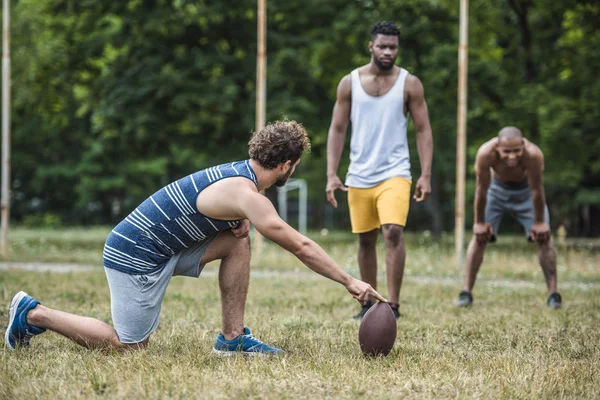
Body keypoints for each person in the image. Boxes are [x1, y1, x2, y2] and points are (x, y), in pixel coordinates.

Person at [5, 120, 386, 355]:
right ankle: (34, 313)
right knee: (128, 346)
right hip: (134, 256)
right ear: (286, 165)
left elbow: (207, 210)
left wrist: (233, 224)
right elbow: (299, 244)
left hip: (163, 249)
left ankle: (232, 338)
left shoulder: (239, 176)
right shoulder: (245, 193)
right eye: (295, 166)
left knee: (239, 240)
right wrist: (349, 280)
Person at [326, 21, 433, 319]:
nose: (388, 52)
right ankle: (369, 304)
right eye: (383, 46)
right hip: (359, 174)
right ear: (371, 46)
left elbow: (423, 130)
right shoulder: (349, 82)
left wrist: (425, 174)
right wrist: (331, 174)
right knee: (365, 239)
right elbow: (337, 128)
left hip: (396, 172)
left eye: (393, 47)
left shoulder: (409, 84)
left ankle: (393, 305)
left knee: (393, 232)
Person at [456, 126, 562, 309]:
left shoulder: (533, 154)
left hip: (527, 191)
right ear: (497, 147)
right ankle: (466, 293)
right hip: (496, 190)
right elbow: (481, 190)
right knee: (479, 238)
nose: (512, 156)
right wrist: (479, 222)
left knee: (545, 238)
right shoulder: (485, 153)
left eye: (516, 151)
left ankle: (553, 295)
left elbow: (537, 189)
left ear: (523, 144)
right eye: (506, 152)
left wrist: (539, 222)